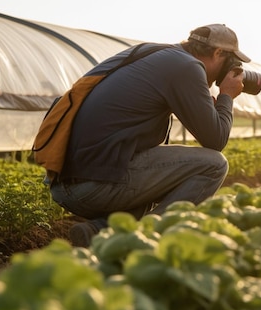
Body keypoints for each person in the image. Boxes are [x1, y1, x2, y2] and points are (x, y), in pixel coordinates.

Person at [49, 24, 249, 247]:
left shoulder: (155, 54)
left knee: (152, 165)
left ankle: (99, 231)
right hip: (92, 186)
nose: (232, 70)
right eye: (230, 62)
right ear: (218, 53)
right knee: (214, 165)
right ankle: (145, 240)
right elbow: (216, 140)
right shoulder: (186, 67)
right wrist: (227, 96)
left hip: (68, 183)